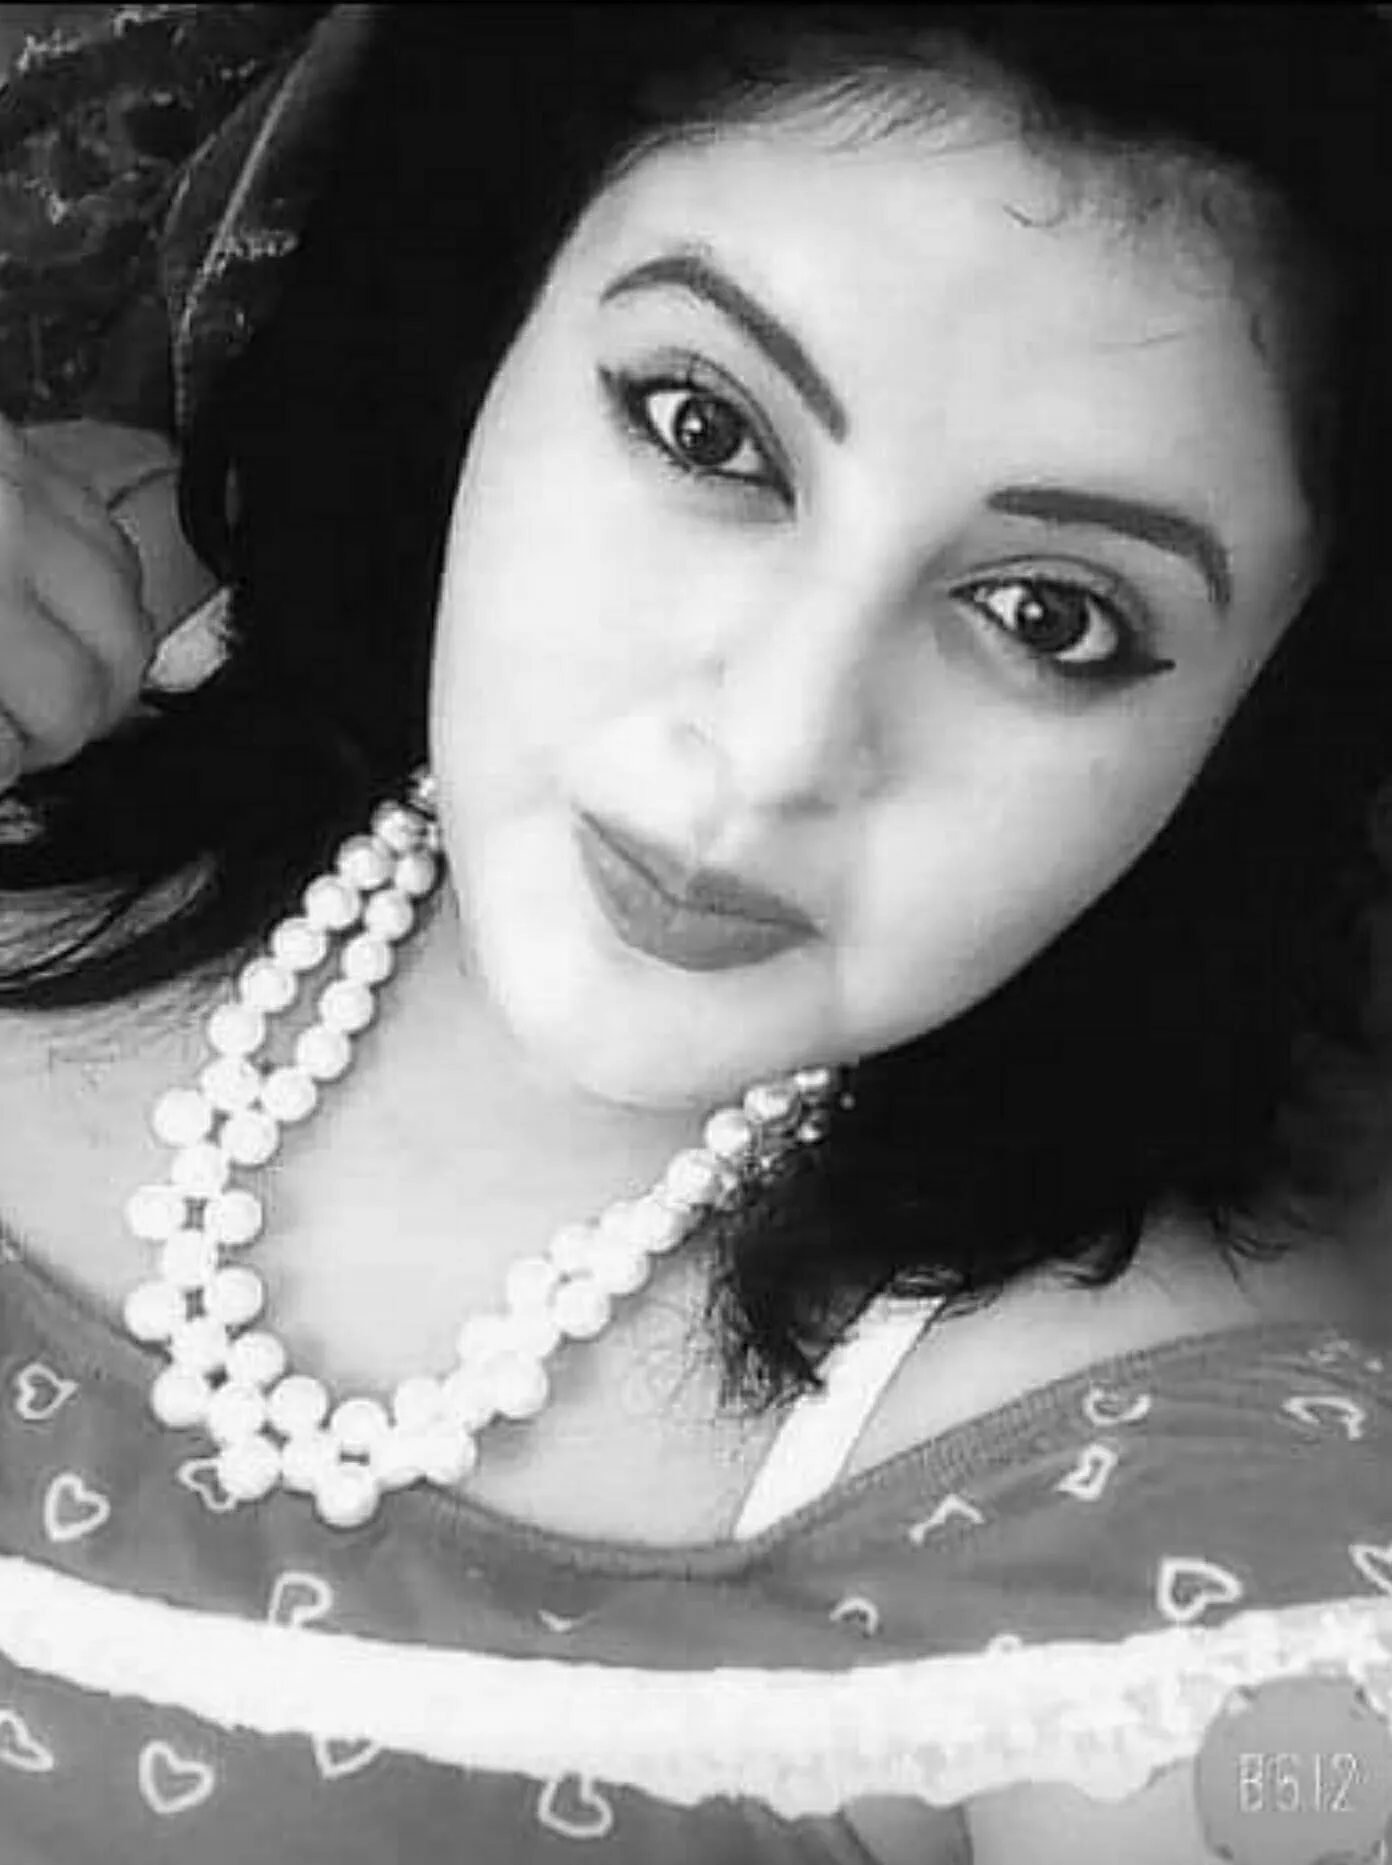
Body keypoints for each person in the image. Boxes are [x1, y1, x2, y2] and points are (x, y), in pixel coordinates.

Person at [0, 5, 1389, 1861]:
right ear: (493, 324)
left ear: (1260, 720)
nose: (779, 743)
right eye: (705, 429)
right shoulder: (85, 662)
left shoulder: (1175, 1526)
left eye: (1050, 616)